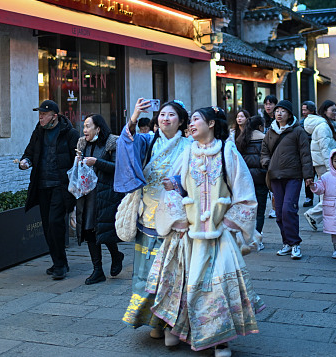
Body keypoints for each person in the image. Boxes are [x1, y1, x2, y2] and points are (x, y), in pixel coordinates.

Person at [151, 106, 264, 356]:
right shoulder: (187, 151)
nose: (190, 124)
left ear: (211, 124)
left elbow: (245, 195)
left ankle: (221, 339)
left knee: (217, 287)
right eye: (190, 120)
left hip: (220, 234)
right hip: (188, 234)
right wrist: (175, 196)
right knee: (184, 284)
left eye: (195, 120)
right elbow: (176, 187)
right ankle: (179, 328)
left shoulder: (228, 151)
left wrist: (228, 224)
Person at [115, 98, 190, 336]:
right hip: (147, 217)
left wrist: (177, 184)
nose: (165, 119)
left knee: (172, 275)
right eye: (162, 115)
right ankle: (152, 320)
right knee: (145, 275)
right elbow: (126, 143)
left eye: (171, 115)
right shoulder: (148, 141)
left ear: (181, 122)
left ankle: (169, 323)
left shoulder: (189, 146)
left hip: (175, 219)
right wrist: (135, 115)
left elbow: (196, 180)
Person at [19, 100, 79, 280]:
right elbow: (29, 152)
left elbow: (77, 160)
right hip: (42, 185)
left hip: (61, 186)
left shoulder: (69, 134)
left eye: (44, 114)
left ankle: (60, 265)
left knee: (55, 223)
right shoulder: (38, 132)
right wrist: (25, 162)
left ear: (54, 116)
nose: (40, 117)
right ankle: (59, 261)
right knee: (47, 226)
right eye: (39, 114)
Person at [74, 114, 124, 285]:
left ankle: (116, 255)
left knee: (103, 230)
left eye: (88, 126)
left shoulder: (112, 143)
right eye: (84, 126)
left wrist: (97, 162)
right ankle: (98, 270)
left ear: (98, 128)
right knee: (89, 231)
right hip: (87, 194)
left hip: (105, 194)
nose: (84, 130)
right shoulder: (83, 144)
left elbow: (118, 168)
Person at [261, 100, 312, 260]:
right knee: (279, 213)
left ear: (289, 114)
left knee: (289, 210)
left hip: (293, 176)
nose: (279, 113)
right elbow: (264, 151)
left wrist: (308, 176)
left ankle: (295, 244)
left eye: (283, 111)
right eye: (277, 111)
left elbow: (305, 154)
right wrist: (266, 163)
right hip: (275, 176)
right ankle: (287, 243)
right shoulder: (270, 132)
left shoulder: (298, 131)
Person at [303, 100, 336, 231]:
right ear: (325, 111)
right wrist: (331, 168)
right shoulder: (324, 127)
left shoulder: (327, 125)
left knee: (326, 193)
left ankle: (321, 218)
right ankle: (313, 214)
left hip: (322, 163)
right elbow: (325, 149)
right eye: (333, 110)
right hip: (324, 164)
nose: (335, 112)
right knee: (331, 193)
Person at [238, 115, 268, 248]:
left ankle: (246, 237)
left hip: (245, 181)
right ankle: (257, 238)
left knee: (247, 210)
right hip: (261, 179)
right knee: (260, 211)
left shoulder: (241, 139)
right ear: (261, 126)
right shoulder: (265, 139)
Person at [300, 100, 318, 207]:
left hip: (318, 152)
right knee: (308, 176)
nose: (303, 112)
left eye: (305, 109)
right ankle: (308, 197)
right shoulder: (302, 123)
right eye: (302, 110)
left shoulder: (319, 121)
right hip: (307, 153)